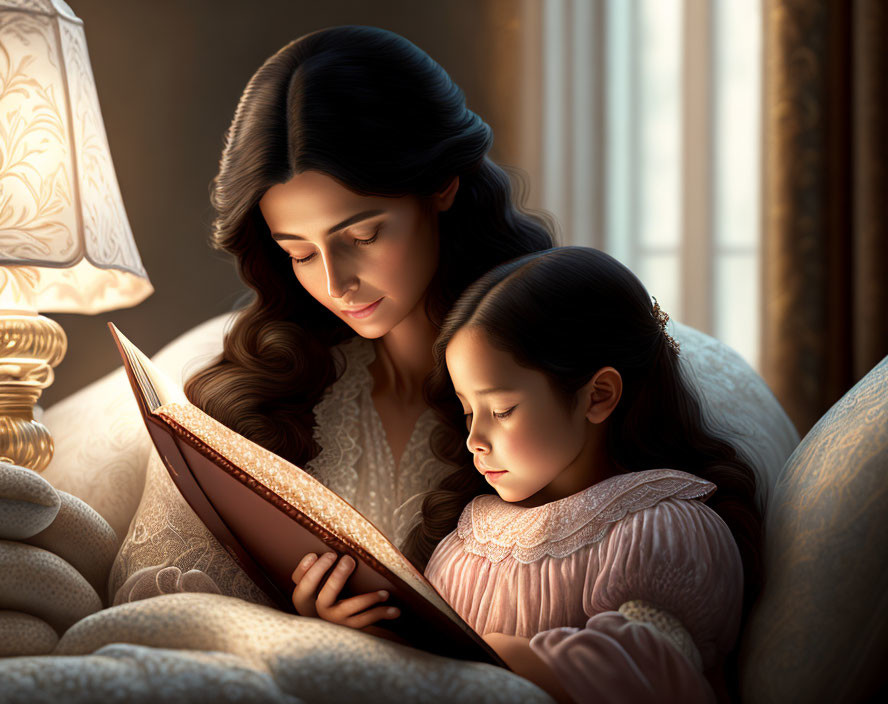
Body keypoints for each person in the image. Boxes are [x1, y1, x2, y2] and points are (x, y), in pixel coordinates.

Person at [109, 24, 554, 603]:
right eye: (297, 252)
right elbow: (156, 600)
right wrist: (302, 619)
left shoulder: (553, 373)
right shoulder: (266, 390)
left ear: (442, 184)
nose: (334, 283)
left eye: (363, 235)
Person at [293, 247, 762, 703]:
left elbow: (648, 668)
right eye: (467, 410)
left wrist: (464, 659)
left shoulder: (660, 525)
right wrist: (362, 632)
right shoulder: (464, 542)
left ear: (598, 395)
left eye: (502, 409)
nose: (474, 438)